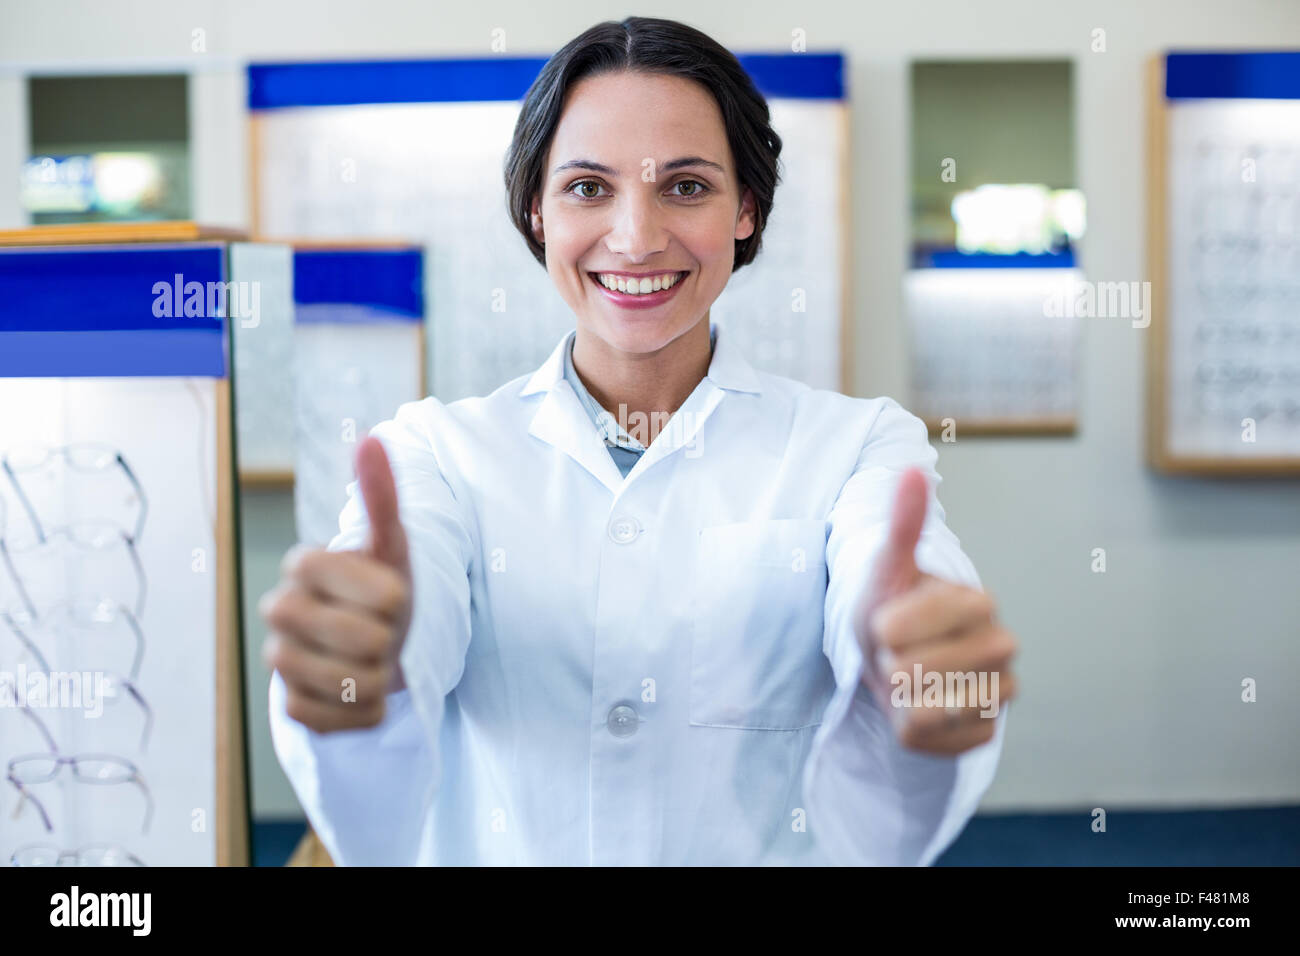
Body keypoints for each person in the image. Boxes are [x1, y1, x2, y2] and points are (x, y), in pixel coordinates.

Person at [261, 15, 1018, 866]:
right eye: (588, 187)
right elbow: (399, 642)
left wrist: (914, 667)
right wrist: (363, 673)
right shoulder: (434, 454)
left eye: (686, 187)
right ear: (535, 211)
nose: (636, 237)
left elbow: (896, 602)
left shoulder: (857, 447)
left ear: (746, 208)